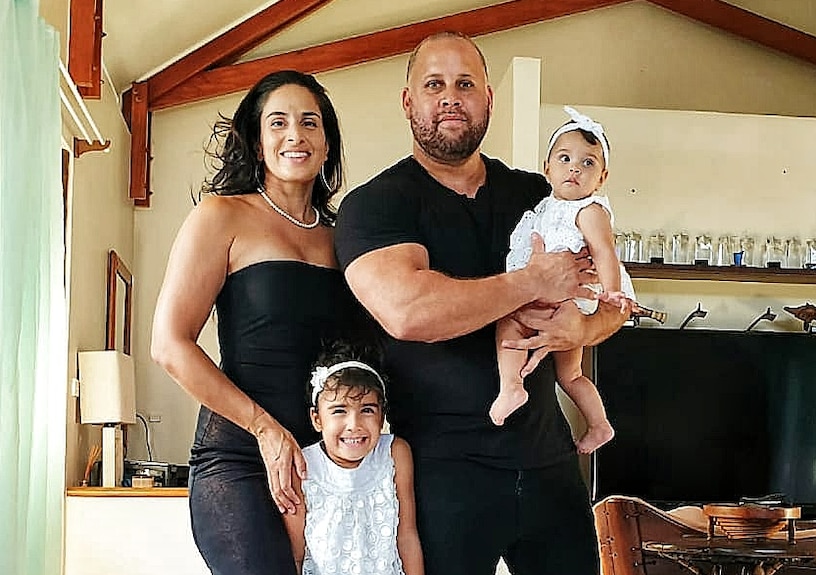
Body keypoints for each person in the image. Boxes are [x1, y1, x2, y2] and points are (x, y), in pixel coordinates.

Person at [334, 32, 629, 575]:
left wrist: (582, 331)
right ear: (408, 102)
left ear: (488, 99)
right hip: (440, 473)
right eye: (435, 85)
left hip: (549, 464)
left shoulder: (539, 196)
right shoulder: (375, 205)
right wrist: (533, 281)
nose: (451, 97)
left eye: (465, 84)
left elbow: (613, 296)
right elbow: (410, 313)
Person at [151, 70, 366, 575]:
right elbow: (169, 344)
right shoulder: (221, 216)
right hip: (240, 456)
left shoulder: (346, 237)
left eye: (310, 122)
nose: (295, 135)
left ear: (328, 144)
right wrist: (264, 429)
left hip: (329, 459)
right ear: (257, 140)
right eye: (278, 122)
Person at [490, 107, 635, 456]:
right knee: (569, 375)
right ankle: (599, 424)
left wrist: (611, 294)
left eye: (588, 163)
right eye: (566, 158)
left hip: (570, 298)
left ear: (601, 178)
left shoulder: (590, 210)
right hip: (552, 292)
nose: (574, 168)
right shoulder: (544, 206)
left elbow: (604, 252)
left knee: (507, 321)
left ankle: (511, 385)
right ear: (547, 168)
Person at [282, 340, 424, 575]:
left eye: (367, 410)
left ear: (381, 417)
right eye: (339, 411)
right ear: (317, 419)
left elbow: (407, 535)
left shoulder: (395, 453)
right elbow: (296, 554)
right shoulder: (302, 466)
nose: (354, 425)